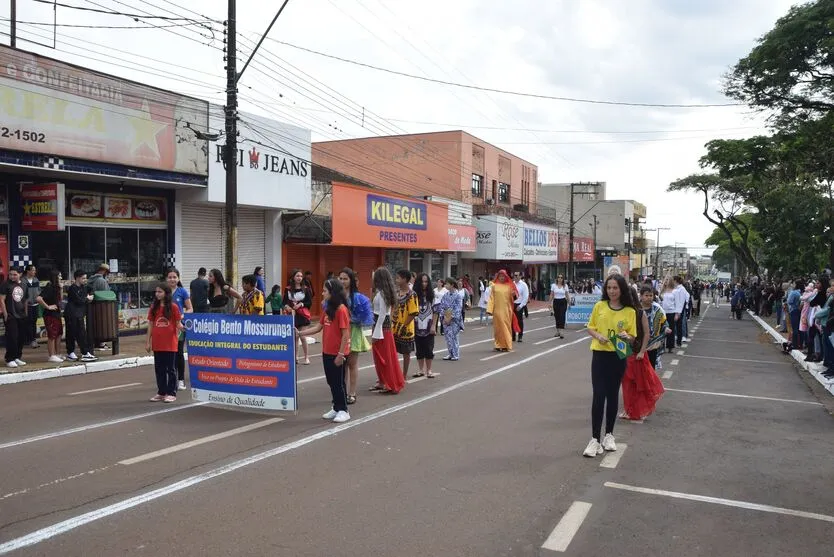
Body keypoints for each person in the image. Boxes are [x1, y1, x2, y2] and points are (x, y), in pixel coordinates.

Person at [583, 274, 638, 458]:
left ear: (621, 289)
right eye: (609, 288)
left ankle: (609, 435)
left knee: (613, 395)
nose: (612, 291)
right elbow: (590, 327)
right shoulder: (599, 306)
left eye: (615, 288)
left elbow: (633, 336)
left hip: (618, 355)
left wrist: (626, 337)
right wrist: (598, 336)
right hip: (599, 354)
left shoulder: (630, 311)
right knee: (598, 395)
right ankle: (594, 439)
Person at [298, 278, 352, 423]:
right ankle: (336, 407)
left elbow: (345, 334)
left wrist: (341, 354)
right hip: (327, 351)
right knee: (331, 381)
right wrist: (300, 333)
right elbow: (318, 327)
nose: (322, 293)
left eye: (324, 291)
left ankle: (344, 410)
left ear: (332, 292)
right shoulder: (328, 309)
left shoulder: (341, 310)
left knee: (338, 382)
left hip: (337, 353)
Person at [339, 267, 373, 404]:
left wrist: (354, 319)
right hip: (340, 332)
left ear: (351, 280)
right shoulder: (335, 296)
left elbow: (365, 317)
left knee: (351, 363)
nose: (342, 281)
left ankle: (352, 393)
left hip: (353, 331)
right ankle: (341, 392)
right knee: (342, 365)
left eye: (345, 279)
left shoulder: (359, 298)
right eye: (340, 278)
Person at [369, 267, 405, 394]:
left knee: (384, 357)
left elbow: (383, 314)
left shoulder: (383, 293)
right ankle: (383, 381)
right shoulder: (382, 292)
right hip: (380, 326)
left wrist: (376, 333)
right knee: (380, 357)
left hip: (382, 328)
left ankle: (389, 383)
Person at [146, 283, 183, 403]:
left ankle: (171, 392)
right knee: (159, 368)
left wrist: (183, 327)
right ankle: (161, 392)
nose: (157, 294)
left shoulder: (173, 307)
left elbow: (178, 323)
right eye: (156, 292)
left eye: (160, 292)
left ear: (166, 293)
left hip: (170, 343)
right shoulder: (153, 307)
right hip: (158, 343)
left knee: (171, 369)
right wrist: (148, 342)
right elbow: (150, 325)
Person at [166, 268, 193, 391]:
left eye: (174, 277)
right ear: (166, 279)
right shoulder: (163, 292)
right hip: (165, 328)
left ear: (178, 278)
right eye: (170, 277)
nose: (172, 279)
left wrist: (181, 316)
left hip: (179, 327)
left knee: (178, 353)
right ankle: (171, 380)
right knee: (168, 354)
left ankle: (181, 380)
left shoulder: (182, 292)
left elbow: (190, 308)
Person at [65, 270, 97, 363]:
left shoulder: (84, 287)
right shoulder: (72, 288)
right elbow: (79, 300)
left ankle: (85, 352)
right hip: (71, 313)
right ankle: (70, 352)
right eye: (83, 278)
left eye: (85, 278)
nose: (85, 280)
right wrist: (87, 298)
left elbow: (91, 291)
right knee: (71, 333)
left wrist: (89, 296)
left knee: (82, 333)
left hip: (80, 314)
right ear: (77, 278)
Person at [393, 269, 419, 378]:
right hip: (394, 327)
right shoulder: (396, 293)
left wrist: (404, 325)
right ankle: (394, 373)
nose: (396, 280)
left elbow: (413, 313)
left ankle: (403, 375)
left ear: (404, 279)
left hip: (406, 329)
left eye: (398, 278)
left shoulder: (412, 294)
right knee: (392, 352)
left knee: (406, 353)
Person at [1, 268, 28, 368]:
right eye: (11, 274)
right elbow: (2, 300)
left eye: (15, 274)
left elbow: (25, 300)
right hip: (11, 315)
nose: (12, 276)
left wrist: (26, 313)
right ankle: (10, 358)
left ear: (20, 274)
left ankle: (17, 357)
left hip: (21, 315)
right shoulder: (5, 284)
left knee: (21, 337)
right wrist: (5, 314)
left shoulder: (24, 285)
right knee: (12, 337)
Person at [284, 269, 313, 365]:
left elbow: (309, 302)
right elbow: (284, 302)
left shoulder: (306, 288)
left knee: (302, 336)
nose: (299, 278)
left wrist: (301, 304)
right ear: (293, 277)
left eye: (301, 276)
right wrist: (286, 306)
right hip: (292, 315)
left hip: (303, 315)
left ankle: (306, 357)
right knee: (295, 337)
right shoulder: (287, 289)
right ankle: (295, 357)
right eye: (297, 276)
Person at [412, 273, 438, 376]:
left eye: (426, 281)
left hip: (428, 326)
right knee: (419, 349)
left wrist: (433, 326)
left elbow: (436, 311)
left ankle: (429, 370)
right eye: (422, 281)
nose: (424, 284)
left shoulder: (432, 295)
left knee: (429, 349)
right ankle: (421, 370)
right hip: (417, 325)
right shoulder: (414, 295)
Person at [488, 270, 520, 351]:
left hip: (506, 310)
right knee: (497, 328)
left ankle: (506, 345)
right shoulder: (494, 286)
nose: (502, 278)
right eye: (500, 276)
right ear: (498, 277)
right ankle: (498, 345)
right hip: (497, 310)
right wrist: (489, 309)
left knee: (505, 327)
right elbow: (491, 298)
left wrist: (514, 295)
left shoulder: (509, 286)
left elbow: (515, 296)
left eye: (503, 276)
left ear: (506, 277)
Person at [37, 270, 64, 363]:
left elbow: (60, 300)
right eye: (59, 276)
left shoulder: (57, 287)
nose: (61, 277)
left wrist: (61, 288)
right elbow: (39, 298)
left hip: (57, 313)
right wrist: (48, 307)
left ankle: (58, 353)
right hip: (50, 315)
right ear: (55, 277)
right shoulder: (49, 287)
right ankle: (51, 355)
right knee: (52, 335)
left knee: (59, 334)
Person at [440, 277, 463, 361]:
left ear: (452, 285)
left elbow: (458, 308)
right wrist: (445, 316)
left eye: (447, 284)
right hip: (446, 318)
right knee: (448, 337)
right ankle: (450, 353)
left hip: (454, 320)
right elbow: (442, 306)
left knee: (454, 337)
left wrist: (451, 317)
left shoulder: (458, 295)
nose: (445, 285)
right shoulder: (445, 295)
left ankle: (455, 354)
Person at [24, 264, 40, 348]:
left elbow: (39, 291)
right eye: (33, 270)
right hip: (27, 305)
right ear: (28, 271)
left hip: (36, 305)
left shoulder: (36, 280)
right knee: (28, 323)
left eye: (35, 270)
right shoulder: (23, 280)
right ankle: (29, 340)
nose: (34, 271)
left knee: (33, 322)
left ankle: (33, 339)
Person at [513, 272, 530, 342]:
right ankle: (513, 336)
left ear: (520, 276)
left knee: (519, 321)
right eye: (514, 275)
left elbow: (526, 296)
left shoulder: (523, 285)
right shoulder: (512, 283)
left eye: (516, 275)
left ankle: (520, 336)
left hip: (519, 304)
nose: (515, 276)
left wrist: (521, 306)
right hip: (512, 304)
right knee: (512, 321)